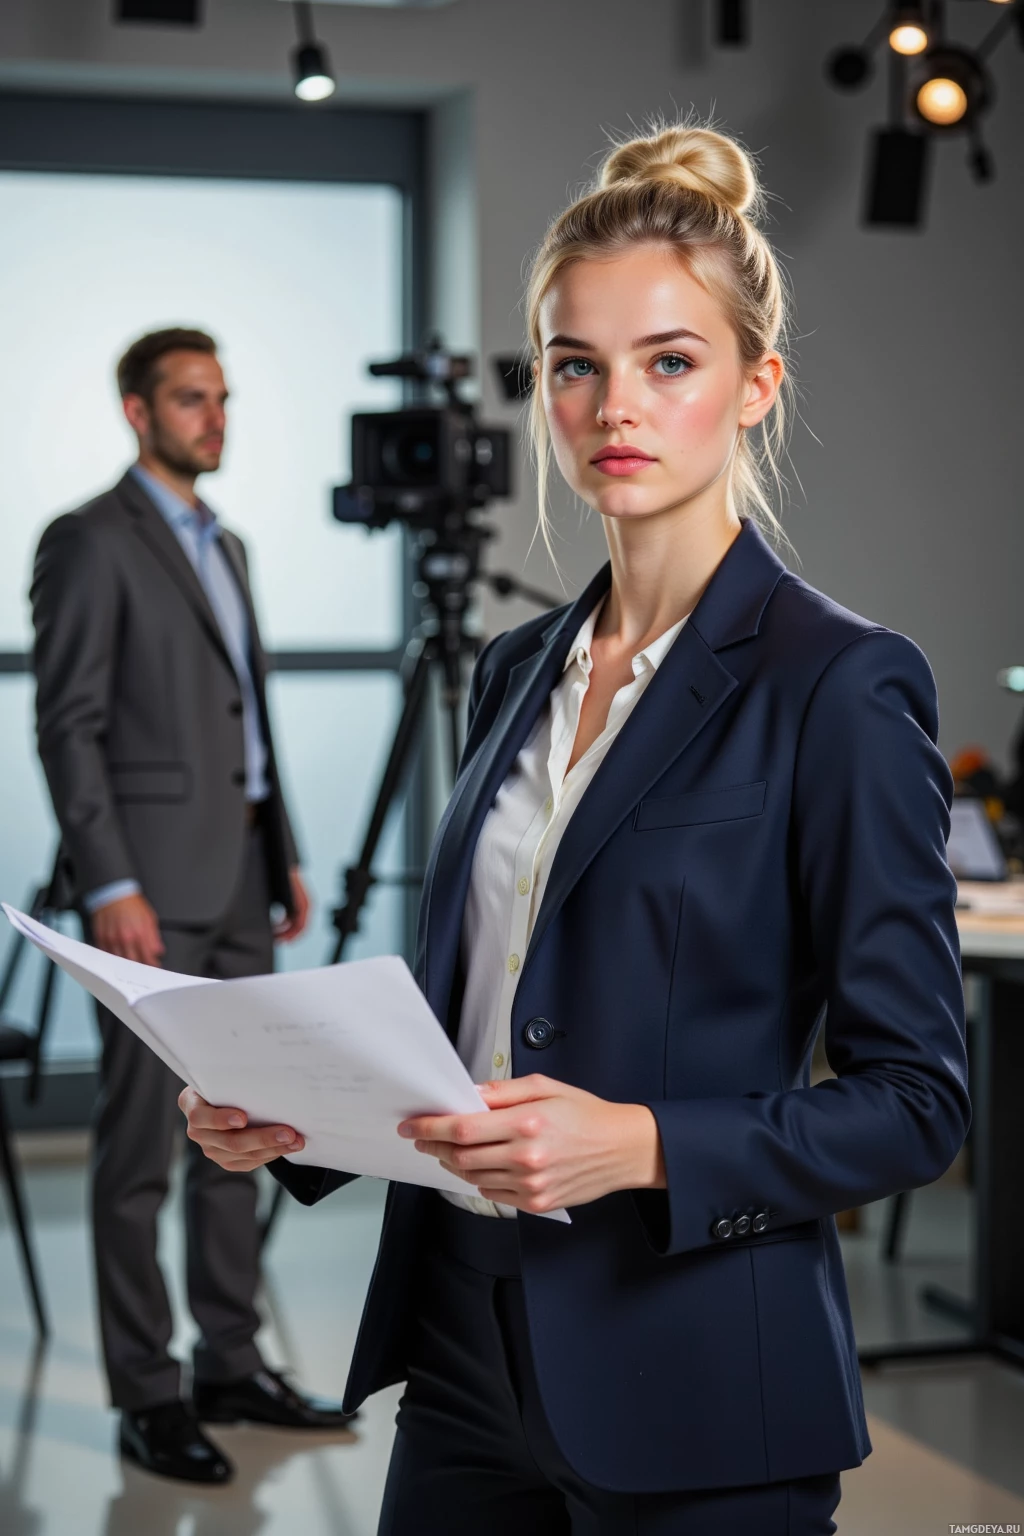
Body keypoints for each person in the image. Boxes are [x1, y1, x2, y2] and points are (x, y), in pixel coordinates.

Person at [181, 124, 970, 1533]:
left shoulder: (840, 683)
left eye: (671, 360)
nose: (620, 403)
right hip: (463, 1350)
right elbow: (472, 1014)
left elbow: (917, 1103)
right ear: (543, 387)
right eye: (575, 365)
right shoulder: (514, 667)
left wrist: (645, 1144)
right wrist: (289, 1116)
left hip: (701, 1379)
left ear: (754, 386)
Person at [31, 327, 354, 1487]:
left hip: (239, 881)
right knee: (135, 1155)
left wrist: (286, 854)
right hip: (149, 895)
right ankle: (149, 1393)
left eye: (221, 399)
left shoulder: (234, 544)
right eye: (188, 399)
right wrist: (110, 881)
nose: (213, 418)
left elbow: (246, 724)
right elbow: (67, 721)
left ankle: (230, 1361)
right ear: (136, 410)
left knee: (244, 1133)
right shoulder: (87, 540)